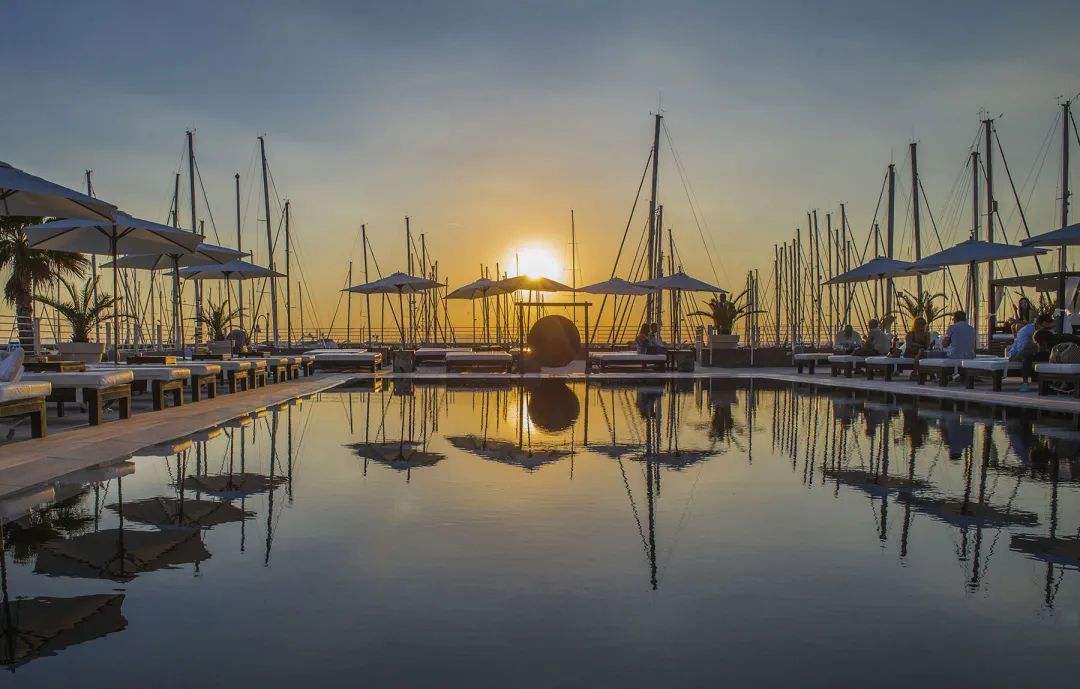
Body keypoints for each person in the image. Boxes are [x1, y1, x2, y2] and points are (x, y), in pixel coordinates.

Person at [1008, 314, 1053, 391]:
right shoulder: (1026, 331)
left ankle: (1053, 382)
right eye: (1046, 328)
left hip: (1035, 353)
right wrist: (1036, 343)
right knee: (1027, 353)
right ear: (1038, 325)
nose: (1047, 330)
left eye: (1049, 328)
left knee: (1053, 353)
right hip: (1016, 354)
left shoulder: (1046, 332)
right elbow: (1022, 349)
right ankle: (1025, 383)